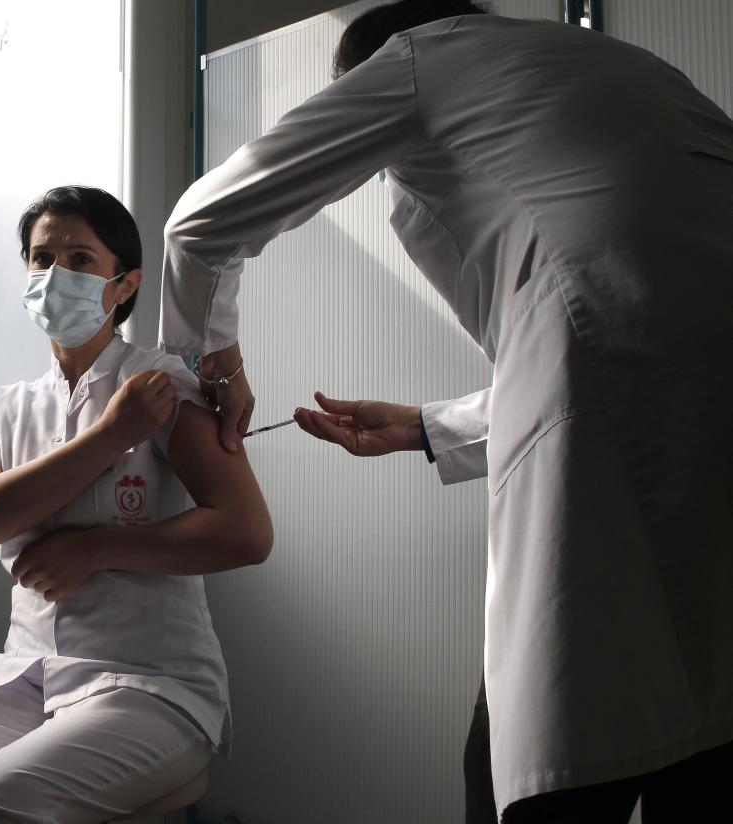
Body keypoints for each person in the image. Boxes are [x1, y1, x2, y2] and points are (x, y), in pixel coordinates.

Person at [159, 1, 733, 821]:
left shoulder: (420, 59)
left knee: (540, 756)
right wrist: (429, 426)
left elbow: (199, 226)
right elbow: (635, 324)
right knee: (707, 740)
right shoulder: (620, 72)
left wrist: (211, 364)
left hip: (612, 440)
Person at [0, 185, 273, 823]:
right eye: (41, 258)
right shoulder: (7, 405)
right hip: (27, 672)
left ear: (125, 284)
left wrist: (94, 547)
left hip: (152, 684)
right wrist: (111, 437)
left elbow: (246, 533)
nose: (56, 274)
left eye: (81, 260)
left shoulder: (161, 384)